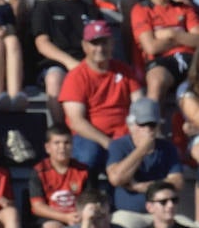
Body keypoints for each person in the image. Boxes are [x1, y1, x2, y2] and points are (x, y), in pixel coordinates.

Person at [59, 21, 142, 174]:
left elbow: (140, 105)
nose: (100, 48)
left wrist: (136, 132)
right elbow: (77, 122)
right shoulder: (76, 76)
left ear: (112, 44)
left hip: (123, 134)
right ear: (84, 46)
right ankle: (86, 195)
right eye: (94, 43)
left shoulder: (124, 70)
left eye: (104, 43)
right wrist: (109, 143)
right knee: (88, 155)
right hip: (89, 137)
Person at [30, 0, 99, 129]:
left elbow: (100, 43)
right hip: (55, 64)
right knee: (54, 77)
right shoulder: (45, 6)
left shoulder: (91, 10)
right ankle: (60, 131)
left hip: (87, 64)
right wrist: (70, 63)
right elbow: (42, 43)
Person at [105, 99, 184, 228]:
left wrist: (141, 187)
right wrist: (142, 150)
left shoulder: (167, 148)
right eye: (143, 124)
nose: (148, 130)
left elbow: (177, 182)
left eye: (152, 125)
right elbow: (116, 178)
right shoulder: (118, 146)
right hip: (129, 214)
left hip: (163, 214)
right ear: (131, 125)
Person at [30, 125, 94, 228]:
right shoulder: (39, 171)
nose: (62, 147)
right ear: (47, 147)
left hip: (77, 216)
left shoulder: (83, 170)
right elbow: (38, 207)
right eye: (57, 143)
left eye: (67, 143)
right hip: (50, 217)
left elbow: (89, 200)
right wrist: (64, 217)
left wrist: (79, 216)